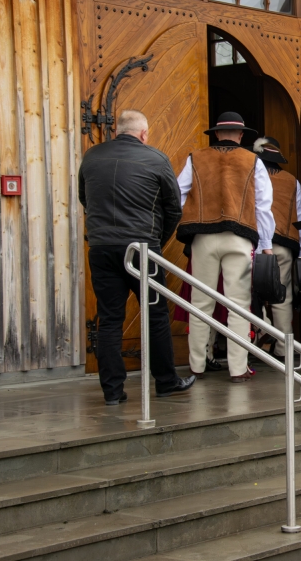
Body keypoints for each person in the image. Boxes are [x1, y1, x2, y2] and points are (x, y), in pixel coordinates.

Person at [79, 109, 195, 405]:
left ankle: (112, 392)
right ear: (144, 134)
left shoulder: (91, 156)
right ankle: (166, 382)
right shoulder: (156, 158)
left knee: (109, 319)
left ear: (117, 130)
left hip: (101, 248)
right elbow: (173, 208)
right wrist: (156, 241)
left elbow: (85, 198)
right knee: (156, 315)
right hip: (142, 249)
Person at [176, 112, 275, 383]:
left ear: (216, 134)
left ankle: (196, 366)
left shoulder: (195, 158)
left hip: (203, 238)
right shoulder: (253, 161)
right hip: (239, 238)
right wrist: (266, 245)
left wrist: (189, 222)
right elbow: (263, 206)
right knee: (239, 305)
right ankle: (238, 369)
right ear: (241, 135)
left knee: (200, 303)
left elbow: (178, 194)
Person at [253, 136, 301, 362]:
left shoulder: (251, 176)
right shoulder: (292, 181)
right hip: (284, 245)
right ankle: (283, 349)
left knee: (248, 292)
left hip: (253, 245)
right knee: (282, 297)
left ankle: (260, 330)